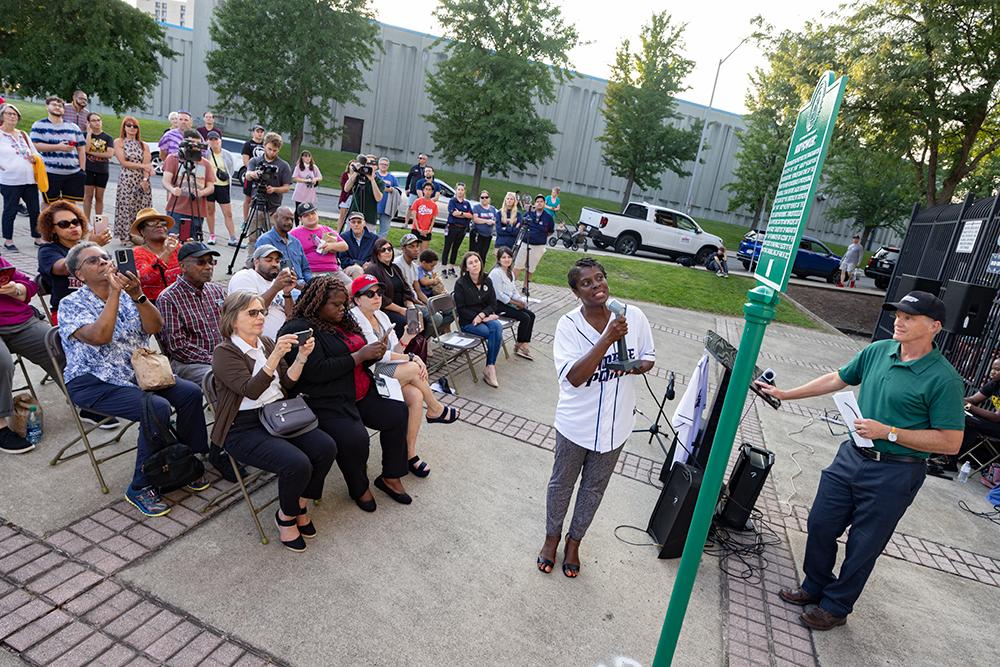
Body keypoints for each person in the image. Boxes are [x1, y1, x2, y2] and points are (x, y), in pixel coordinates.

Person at [757, 290, 964, 630]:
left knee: (863, 545)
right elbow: (836, 378)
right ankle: (815, 586)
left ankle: (836, 607)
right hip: (851, 457)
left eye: (909, 317)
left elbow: (951, 441)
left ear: (934, 327)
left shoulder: (944, 379)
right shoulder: (878, 351)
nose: (899, 321)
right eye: (898, 314)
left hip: (897, 472)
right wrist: (784, 392)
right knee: (821, 523)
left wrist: (889, 432)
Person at [60, 241, 210, 517]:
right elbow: (99, 337)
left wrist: (139, 294)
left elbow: (155, 327)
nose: (104, 262)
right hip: (93, 383)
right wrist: (115, 294)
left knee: (189, 393)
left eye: (105, 257)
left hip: (139, 375)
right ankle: (141, 485)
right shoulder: (71, 303)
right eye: (93, 261)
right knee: (156, 408)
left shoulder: (129, 295)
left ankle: (187, 460)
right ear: (79, 275)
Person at [538, 257, 655, 578]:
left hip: (616, 426)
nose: (596, 286)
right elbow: (575, 376)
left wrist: (633, 366)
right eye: (586, 283)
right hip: (576, 424)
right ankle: (552, 539)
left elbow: (648, 358)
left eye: (600, 278)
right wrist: (607, 339)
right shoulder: (568, 325)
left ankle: (575, 542)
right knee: (562, 484)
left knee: (593, 489)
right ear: (576, 291)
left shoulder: (634, 316)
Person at [210, 291, 336, 551]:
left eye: (262, 312)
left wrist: (301, 357)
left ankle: (298, 503)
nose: (260, 317)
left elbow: (288, 382)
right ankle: (286, 517)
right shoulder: (225, 352)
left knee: (326, 447)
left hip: (279, 414)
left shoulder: (266, 343)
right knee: (297, 464)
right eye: (252, 312)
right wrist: (276, 355)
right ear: (234, 319)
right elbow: (251, 390)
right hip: (243, 427)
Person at [280, 275, 411, 511]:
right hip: (327, 400)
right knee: (356, 439)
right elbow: (315, 372)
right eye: (336, 305)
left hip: (360, 390)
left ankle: (391, 475)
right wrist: (360, 356)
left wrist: (375, 353)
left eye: (344, 304)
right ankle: (359, 487)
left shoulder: (343, 319)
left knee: (397, 412)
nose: (343, 309)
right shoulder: (299, 328)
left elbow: (359, 347)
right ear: (317, 302)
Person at [350, 274, 458, 477]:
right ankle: (435, 409)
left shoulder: (381, 315)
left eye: (380, 292)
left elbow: (395, 350)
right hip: (369, 374)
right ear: (357, 299)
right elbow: (378, 355)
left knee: (416, 396)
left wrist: (407, 336)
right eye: (370, 293)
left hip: (387, 371)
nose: (377, 297)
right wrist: (411, 357)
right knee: (415, 368)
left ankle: (410, 455)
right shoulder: (356, 318)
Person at [0, 255, 58, 454]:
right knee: (2, 362)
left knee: (53, 342)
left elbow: (29, 285)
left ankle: (84, 397)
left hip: (19, 321)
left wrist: (17, 289)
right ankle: (0, 425)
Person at [157, 241, 224, 383]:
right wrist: (215, 360)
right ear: (182, 266)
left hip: (223, 356)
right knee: (224, 377)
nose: (208, 267)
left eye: (211, 262)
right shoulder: (169, 298)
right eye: (201, 262)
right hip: (189, 363)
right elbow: (177, 347)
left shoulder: (216, 290)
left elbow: (232, 326)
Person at [37, 200, 111, 321]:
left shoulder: (92, 248)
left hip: (99, 306)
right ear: (52, 229)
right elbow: (63, 268)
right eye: (63, 224)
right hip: (67, 310)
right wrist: (92, 245)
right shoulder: (47, 251)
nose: (72, 226)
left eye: (75, 222)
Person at [453, 251, 504, 388]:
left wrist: (483, 315)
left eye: (477, 261)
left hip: (483, 318)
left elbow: (493, 304)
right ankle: (490, 369)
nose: (475, 265)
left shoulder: (487, 280)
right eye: (471, 263)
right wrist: (484, 316)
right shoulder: (461, 284)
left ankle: (490, 367)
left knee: (497, 328)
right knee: (495, 333)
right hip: (469, 322)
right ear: (465, 268)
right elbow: (461, 309)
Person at [29, 96, 86, 212]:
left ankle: (67, 228)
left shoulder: (73, 127)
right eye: (54, 104)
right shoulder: (39, 125)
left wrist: (82, 169)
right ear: (47, 107)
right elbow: (34, 146)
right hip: (50, 172)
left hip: (73, 173)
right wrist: (58, 147)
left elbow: (81, 148)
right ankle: (46, 229)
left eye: (60, 106)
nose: (57, 107)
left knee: (71, 205)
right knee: (48, 205)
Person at [229, 244, 297, 339]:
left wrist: (287, 293)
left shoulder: (277, 282)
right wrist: (275, 288)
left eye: (277, 261)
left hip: (282, 341)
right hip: (256, 342)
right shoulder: (245, 276)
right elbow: (250, 311)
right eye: (268, 260)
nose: (274, 264)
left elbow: (291, 316)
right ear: (256, 262)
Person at [0, 103, 42, 251]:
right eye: (9, 113)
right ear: (2, 116)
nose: (12, 117)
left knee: (34, 210)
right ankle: (8, 240)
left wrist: (34, 157)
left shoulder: (23, 134)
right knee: (10, 210)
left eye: (15, 114)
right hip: (10, 180)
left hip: (29, 178)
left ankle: (37, 237)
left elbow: (35, 152)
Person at [162, 129, 215, 241]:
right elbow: (165, 180)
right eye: (191, 144)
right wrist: (172, 189)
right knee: (172, 242)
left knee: (192, 244)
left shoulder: (206, 164)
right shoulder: (173, 158)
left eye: (197, 144)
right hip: (176, 208)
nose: (194, 147)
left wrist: (201, 192)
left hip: (197, 211)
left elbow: (211, 186)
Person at [244, 132, 292, 245]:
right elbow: (247, 175)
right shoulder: (255, 161)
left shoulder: (283, 165)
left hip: (273, 209)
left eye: (275, 150)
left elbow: (287, 187)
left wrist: (274, 189)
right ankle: (252, 261)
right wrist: (253, 174)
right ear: (264, 145)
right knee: (252, 239)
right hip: (257, 205)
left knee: (272, 240)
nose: (271, 152)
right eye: (269, 149)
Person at [489, 246, 536, 360]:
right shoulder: (496, 273)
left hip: (509, 302)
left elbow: (513, 290)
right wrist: (514, 303)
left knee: (531, 315)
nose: (507, 259)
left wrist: (520, 300)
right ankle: (522, 344)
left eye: (509, 257)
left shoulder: (510, 272)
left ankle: (522, 343)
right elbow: (499, 295)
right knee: (525, 317)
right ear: (499, 259)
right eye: (503, 257)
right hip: (498, 305)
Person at [112, 116, 154, 244]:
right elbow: (124, 162)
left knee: (142, 208)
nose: (132, 128)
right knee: (127, 207)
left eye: (135, 126)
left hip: (141, 179)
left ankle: (142, 235)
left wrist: (146, 179)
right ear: (124, 127)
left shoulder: (143, 145)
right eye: (128, 125)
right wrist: (144, 166)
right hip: (127, 178)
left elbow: (147, 163)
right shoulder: (119, 142)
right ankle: (125, 236)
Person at [365, 237, 417, 338]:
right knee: (405, 321)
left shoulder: (395, 268)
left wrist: (410, 307)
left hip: (403, 305)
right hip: (384, 309)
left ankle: (418, 345)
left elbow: (406, 289)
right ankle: (399, 348)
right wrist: (401, 310)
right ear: (377, 253)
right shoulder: (373, 269)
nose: (387, 252)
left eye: (389, 249)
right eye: (383, 250)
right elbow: (379, 297)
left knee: (422, 316)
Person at [289, 202, 350, 286]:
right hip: (311, 272)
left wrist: (330, 246)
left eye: (312, 213)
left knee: (354, 288)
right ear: (300, 219)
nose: (311, 217)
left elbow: (345, 246)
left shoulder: (327, 230)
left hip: (333, 271)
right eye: (306, 215)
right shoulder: (294, 234)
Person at [131, 208, 182, 302]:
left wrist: (192, 249)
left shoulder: (177, 247)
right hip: (152, 304)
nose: (159, 226)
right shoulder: (137, 253)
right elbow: (145, 278)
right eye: (152, 223)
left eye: (162, 223)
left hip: (180, 300)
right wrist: (167, 252)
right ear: (142, 232)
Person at [256, 206, 311, 286]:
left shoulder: (296, 242)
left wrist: (312, 283)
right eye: (285, 218)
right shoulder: (265, 240)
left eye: (291, 219)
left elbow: (306, 269)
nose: (289, 222)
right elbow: (265, 271)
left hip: (302, 284)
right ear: (275, 218)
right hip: (281, 286)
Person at [960, 357, 1000, 466]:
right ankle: (950, 454)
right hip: (995, 423)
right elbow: (973, 399)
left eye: (997, 369)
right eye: (992, 368)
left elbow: (997, 417)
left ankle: (951, 458)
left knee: (968, 420)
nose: (992, 372)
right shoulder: (994, 384)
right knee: (962, 416)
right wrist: (958, 399)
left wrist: (967, 405)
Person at [204, 131, 237, 246]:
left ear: (220, 140)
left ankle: (232, 237)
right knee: (210, 211)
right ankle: (212, 235)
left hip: (223, 186)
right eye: (211, 140)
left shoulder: (226, 154)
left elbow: (231, 169)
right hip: (210, 185)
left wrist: (226, 178)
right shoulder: (206, 154)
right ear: (208, 141)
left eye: (216, 139)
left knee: (228, 213)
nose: (214, 142)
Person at [515, 195, 555, 287]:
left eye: (541, 201)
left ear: (544, 204)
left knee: (531, 267)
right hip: (525, 243)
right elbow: (521, 225)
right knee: (518, 264)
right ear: (535, 204)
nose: (539, 203)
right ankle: (511, 285)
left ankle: (525, 287)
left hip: (538, 246)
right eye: (537, 201)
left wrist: (539, 236)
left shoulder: (548, 218)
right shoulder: (529, 214)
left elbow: (550, 232)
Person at [81, 112, 114, 223]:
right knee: (88, 197)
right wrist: (89, 134)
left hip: (102, 171)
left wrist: (91, 153)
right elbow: (85, 149)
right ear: (88, 123)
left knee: (99, 197)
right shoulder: (85, 135)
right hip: (89, 169)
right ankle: (86, 221)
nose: (97, 123)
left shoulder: (108, 137)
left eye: (99, 120)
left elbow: (109, 154)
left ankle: (98, 222)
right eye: (94, 120)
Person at [344, 155, 384, 230]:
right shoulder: (358, 177)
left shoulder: (379, 182)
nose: (368, 166)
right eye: (366, 163)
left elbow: (378, 198)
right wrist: (356, 172)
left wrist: (372, 179)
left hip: (369, 218)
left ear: (376, 166)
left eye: (371, 163)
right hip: (353, 216)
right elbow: (346, 188)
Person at [442, 183, 473, 276]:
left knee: (456, 248)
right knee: (447, 247)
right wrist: (464, 214)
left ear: (464, 191)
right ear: (456, 190)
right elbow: (453, 213)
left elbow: (470, 215)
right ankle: (444, 268)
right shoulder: (452, 201)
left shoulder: (466, 203)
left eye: (462, 190)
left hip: (462, 228)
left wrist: (461, 213)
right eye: (458, 189)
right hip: (452, 226)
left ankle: (451, 267)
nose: (460, 191)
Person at [340, 212, 378, 280]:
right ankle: (360, 290)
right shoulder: (343, 237)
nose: (356, 224)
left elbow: (377, 256)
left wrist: (369, 264)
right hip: (350, 267)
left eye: (359, 222)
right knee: (357, 269)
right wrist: (361, 263)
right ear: (350, 224)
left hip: (370, 267)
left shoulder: (374, 238)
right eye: (353, 222)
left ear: (364, 224)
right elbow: (343, 259)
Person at [240, 124, 266, 225]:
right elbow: (246, 161)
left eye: (261, 132)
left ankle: (258, 220)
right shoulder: (248, 144)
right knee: (248, 198)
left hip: (262, 176)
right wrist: (252, 172)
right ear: (253, 132)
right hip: (251, 175)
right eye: (257, 132)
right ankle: (245, 220)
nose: (259, 134)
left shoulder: (265, 145)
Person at [406, 181, 438, 251]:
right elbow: (414, 216)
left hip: (427, 231)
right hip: (416, 229)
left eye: (430, 190)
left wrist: (429, 230)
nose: (428, 191)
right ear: (423, 190)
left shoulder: (434, 205)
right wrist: (418, 229)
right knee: (414, 250)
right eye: (426, 189)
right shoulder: (417, 201)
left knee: (423, 251)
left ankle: (421, 262)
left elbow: (433, 219)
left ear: (432, 191)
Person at [291, 151, 322, 222]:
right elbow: (295, 178)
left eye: (309, 156)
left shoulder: (314, 167)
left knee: (308, 209)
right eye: (305, 156)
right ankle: (296, 224)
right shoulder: (299, 167)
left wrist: (315, 179)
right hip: (300, 191)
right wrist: (305, 180)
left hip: (309, 191)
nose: (307, 158)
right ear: (302, 157)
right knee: (298, 209)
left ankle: (306, 223)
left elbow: (320, 177)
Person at [470, 190, 498, 263]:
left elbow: (496, 220)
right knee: (474, 254)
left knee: (483, 254)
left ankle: (481, 271)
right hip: (478, 234)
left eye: (486, 197)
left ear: (489, 198)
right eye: (482, 197)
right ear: (480, 198)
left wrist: (493, 222)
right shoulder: (477, 207)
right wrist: (487, 221)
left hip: (488, 235)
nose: (484, 199)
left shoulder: (492, 208)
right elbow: (475, 219)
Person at [375, 157, 399, 237]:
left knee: (384, 230)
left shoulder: (392, 178)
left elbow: (398, 191)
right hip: (374, 206)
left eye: (386, 165)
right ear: (378, 165)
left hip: (386, 207)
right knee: (371, 228)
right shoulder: (374, 175)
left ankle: (380, 247)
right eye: (382, 164)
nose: (383, 166)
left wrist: (391, 189)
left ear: (388, 166)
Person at [495, 192, 521, 256]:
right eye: (508, 198)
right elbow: (499, 231)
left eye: (511, 199)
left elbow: (516, 232)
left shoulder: (518, 215)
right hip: (500, 244)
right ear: (505, 200)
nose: (509, 200)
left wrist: (505, 227)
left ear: (514, 201)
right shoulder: (499, 213)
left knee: (509, 265)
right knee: (498, 265)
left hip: (511, 245)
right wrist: (512, 226)